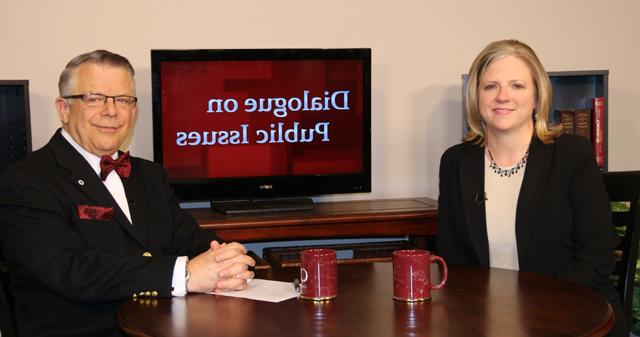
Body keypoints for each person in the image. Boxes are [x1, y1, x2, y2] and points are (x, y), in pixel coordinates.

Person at [0, 50, 255, 336]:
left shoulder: (149, 174)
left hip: (168, 328)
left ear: (133, 111)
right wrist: (183, 275)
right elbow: (74, 271)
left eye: (123, 100)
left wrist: (227, 260)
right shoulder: (25, 180)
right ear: (64, 109)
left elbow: (191, 239)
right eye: (94, 98)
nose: (111, 111)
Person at [437, 39, 625, 336]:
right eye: (490, 86)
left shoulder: (571, 155)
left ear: (537, 96)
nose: (503, 97)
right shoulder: (455, 162)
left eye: (517, 86)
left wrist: (533, 307)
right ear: (475, 97)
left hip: (575, 317)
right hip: (488, 321)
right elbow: (453, 258)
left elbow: (598, 254)